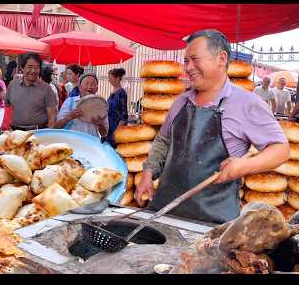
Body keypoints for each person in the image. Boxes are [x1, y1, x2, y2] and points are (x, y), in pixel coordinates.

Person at [134, 29, 289, 224]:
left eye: (195, 59)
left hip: (211, 225)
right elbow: (163, 142)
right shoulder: (181, 101)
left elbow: (281, 149)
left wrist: (243, 165)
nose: (188, 67)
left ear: (221, 58)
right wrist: (148, 174)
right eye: (186, 61)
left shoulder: (247, 103)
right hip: (165, 214)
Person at [6, 53, 57, 130]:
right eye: (30, 67)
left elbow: (52, 118)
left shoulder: (47, 89)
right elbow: (7, 108)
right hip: (16, 132)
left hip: (38, 133)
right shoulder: (12, 85)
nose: (33, 71)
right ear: (22, 68)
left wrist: (48, 134)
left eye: (37, 67)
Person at [54, 73, 109, 138]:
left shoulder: (101, 106)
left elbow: (104, 134)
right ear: (79, 87)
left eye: (93, 84)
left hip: (91, 143)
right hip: (72, 142)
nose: (90, 87)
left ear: (97, 89)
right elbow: (56, 127)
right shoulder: (70, 102)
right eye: (86, 83)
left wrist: (100, 124)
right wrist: (70, 117)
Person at [106, 68, 128, 147]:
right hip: (109, 126)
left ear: (118, 78)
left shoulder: (122, 93)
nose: (109, 80)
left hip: (116, 127)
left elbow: (124, 114)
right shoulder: (113, 92)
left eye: (110, 78)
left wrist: (117, 131)